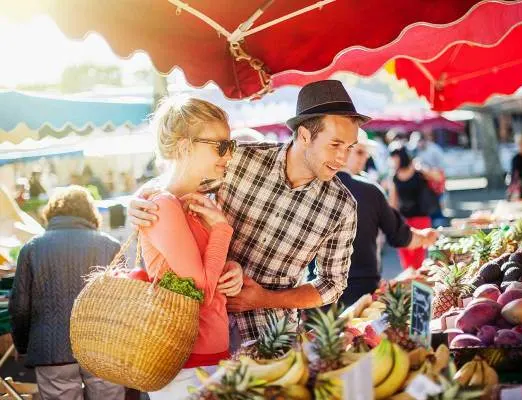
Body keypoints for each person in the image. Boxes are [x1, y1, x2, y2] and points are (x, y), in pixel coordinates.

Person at [129, 80, 367, 344]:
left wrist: (265, 298)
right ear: (304, 136)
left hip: (271, 338)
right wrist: (140, 198)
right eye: (335, 145)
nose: (343, 159)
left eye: (349, 147)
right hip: (201, 327)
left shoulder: (342, 207)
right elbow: (181, 180)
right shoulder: (239, 159)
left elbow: (332, 285)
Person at [139, 96, 242, 399]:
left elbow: (208, 273)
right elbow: (200, 288)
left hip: (211, 354)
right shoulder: (164, 205)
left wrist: (232, 270)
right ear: (184, 146)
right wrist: (222, 230)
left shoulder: (199, 203)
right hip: (186, 363)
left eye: (230, 146)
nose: (228, 155)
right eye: (220, 146)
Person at [9, 186, 125, 400]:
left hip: (52, 350)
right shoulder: (110, 246)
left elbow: (20, 306)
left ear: (52, 212)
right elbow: (124, 304)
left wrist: (23, 345)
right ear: (90, 213)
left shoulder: (32, 248)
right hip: (103, 349)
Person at [336, 131, 438, 305]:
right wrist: (426, 237)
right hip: (361, 289)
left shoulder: (312, 189)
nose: (365, 158)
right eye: (360, 152)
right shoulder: (369, 190)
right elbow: (399, 235)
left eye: (366, 153)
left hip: (316, 293)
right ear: (343, 151)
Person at [389, 145, 440, 270]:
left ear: (401, 157)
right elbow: (393, 202)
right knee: (405, 257)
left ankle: (416, 284)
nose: (392, 161)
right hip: (403, 220)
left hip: (421, 218)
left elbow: (437, 177)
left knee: (418, 258)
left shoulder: (418, 172)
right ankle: (409, 284)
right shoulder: (395, 177)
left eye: (394, 158)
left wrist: (421, 168)